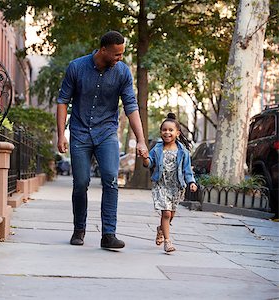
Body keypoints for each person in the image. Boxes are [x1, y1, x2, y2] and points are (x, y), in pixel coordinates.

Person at [56, 31, 148, 249]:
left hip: (106, 132)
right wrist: (61, 134)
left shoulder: (123, 73)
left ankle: (108, 234)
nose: (120, 58)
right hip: (79, 132)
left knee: (110, 178)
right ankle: (79, 229)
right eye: (117, 54)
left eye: (122, 54)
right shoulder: (77, 67)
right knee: (81, 183)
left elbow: (131, 107)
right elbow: (63, 101)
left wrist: (141, 140)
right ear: (103, 50)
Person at [141, 113, 197, 253]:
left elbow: (187, 170)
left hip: (176, 186)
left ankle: (161, 229)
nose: (167, 132)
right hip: (161, 185)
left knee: (171, 214)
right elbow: (149, 163)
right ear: (161, 132)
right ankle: (167, 241)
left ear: (177, 133)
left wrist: (191, 182)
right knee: (165, 213)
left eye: (170, 130)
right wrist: (144, 158)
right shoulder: (158, 149)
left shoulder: (183, 151)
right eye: (164, 130)